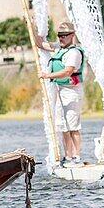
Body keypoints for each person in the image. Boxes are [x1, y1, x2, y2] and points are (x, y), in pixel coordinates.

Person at [37, 21, 85, 164]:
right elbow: (41, 44)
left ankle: (77, 157)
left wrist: (47, 75)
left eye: (64, 35)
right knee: (62, 125)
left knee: (72, 124)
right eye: (59, 35)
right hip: (60, 90)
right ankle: (68, 156)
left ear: (72, 35)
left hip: (72, 90)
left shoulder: (74, 52)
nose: (61, 38)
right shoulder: (59, 47)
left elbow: (67, 71)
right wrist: (33, 26)